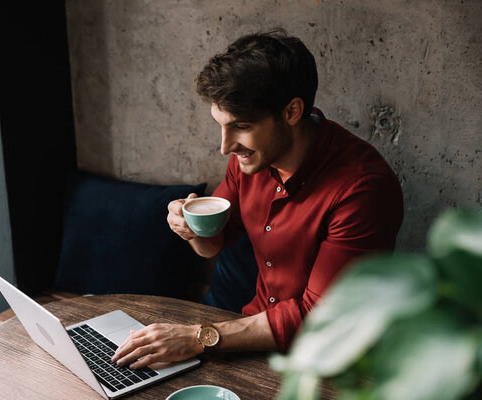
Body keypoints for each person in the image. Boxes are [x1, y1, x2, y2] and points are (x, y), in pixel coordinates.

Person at [111, 29, 403, 369]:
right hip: (250, 342)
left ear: (293, 111)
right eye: (220, 125)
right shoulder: (250, 158)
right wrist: (191, 228)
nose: (226, 147)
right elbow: (216, 241)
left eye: (241, 126)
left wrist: (197, 338)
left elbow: (319, 317)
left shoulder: (363, 188)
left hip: (330, 362)